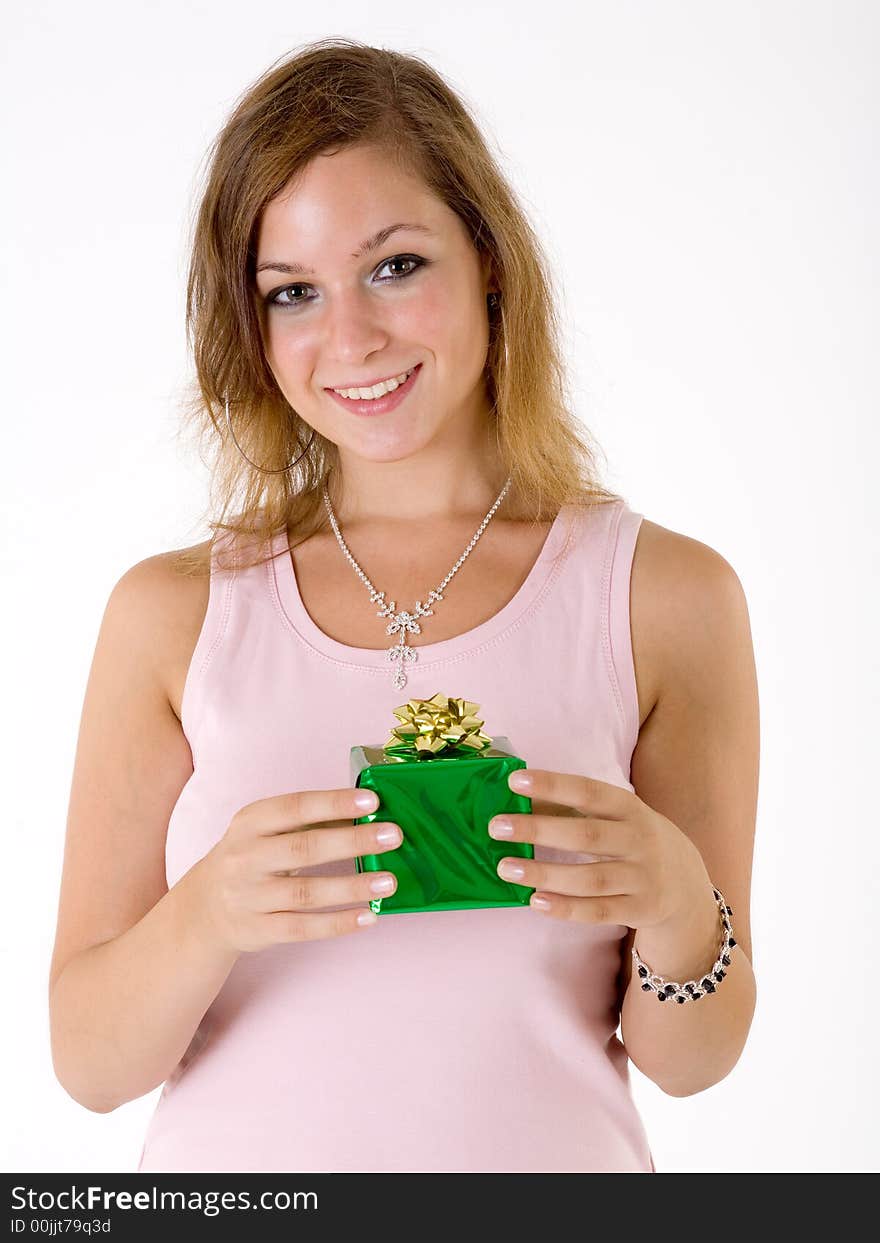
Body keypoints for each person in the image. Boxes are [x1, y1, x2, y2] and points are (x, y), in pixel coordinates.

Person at [47, 38, 758, 1174]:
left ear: (485, 258)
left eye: (393, 266)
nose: (351, 341)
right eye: (292, 292)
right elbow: (87, 1063)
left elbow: (690, 1057)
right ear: (253, 324)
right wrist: (210, 911)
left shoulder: (667, 597)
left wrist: (680, 903)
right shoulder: (170, 614)